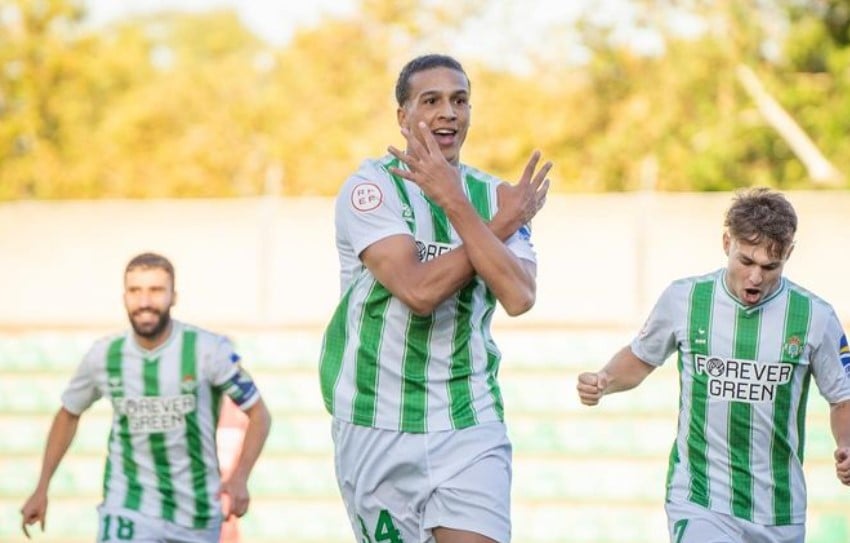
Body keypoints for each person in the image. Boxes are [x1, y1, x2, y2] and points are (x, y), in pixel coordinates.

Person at [319, 53, 551, 543]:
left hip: (468, 418)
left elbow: (519, 295)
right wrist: (496, 227)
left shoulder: (494, 195)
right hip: (377, 419)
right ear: (403, 116)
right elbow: (418, 291)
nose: (448, 112)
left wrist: (457, 202)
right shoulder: (370, 189)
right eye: (431, 101)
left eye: (460, 101)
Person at [576, 188, 850, 543]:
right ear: (726, 243)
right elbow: (641, 357)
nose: (756, 278)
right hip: (701, 500)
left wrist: (846, 443)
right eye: (746, 261)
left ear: (789, 255)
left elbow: (842, 396)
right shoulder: (685, 299)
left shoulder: (815, 316)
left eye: (770, 267)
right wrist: (604, 379)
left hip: (779, 511)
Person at [20, 252, 272, 543]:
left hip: (196, 512)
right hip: (128, 506)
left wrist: (240, 477)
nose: (144, 302)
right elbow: (68, 413)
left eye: (155, 290)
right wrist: (42, 487)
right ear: (124, 297)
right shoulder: (105, 355)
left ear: (173, 296)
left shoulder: (208, 350)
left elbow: (259, 413)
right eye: (135, 291)